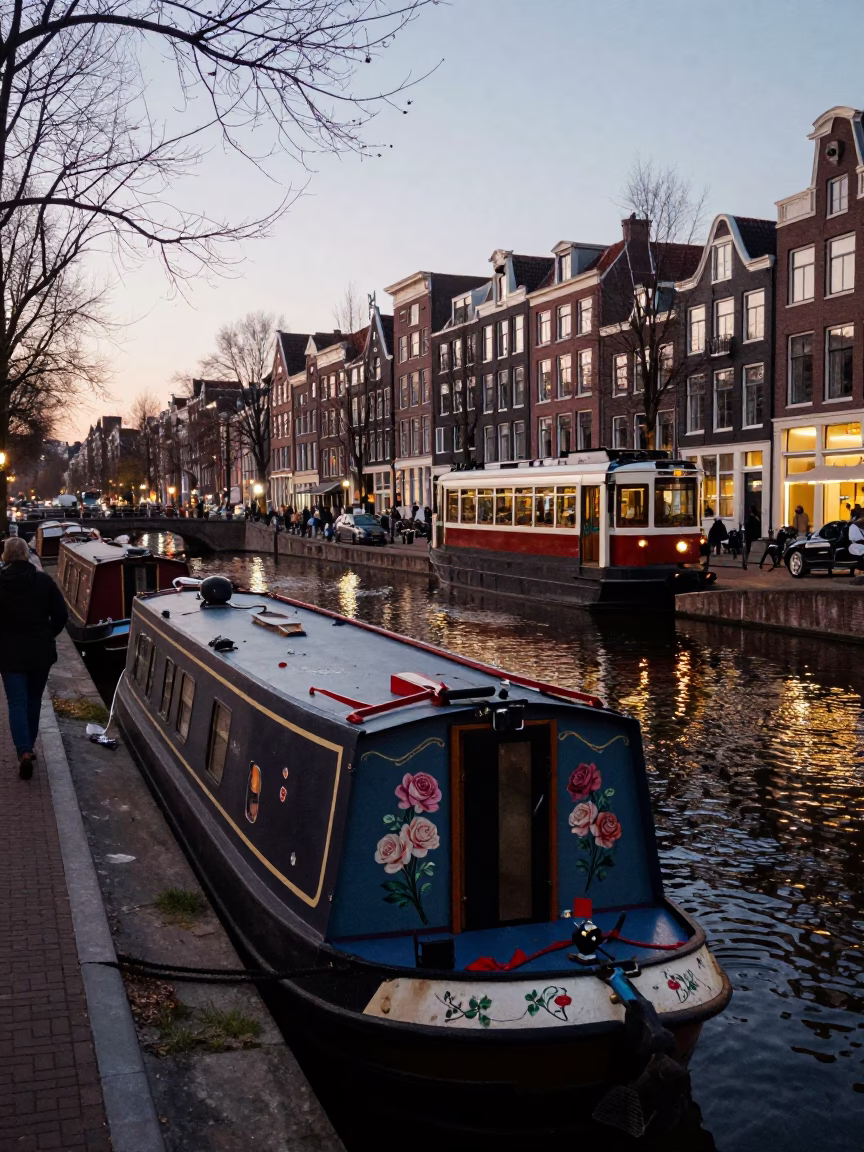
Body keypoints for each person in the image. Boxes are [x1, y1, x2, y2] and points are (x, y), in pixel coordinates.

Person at [0, 537, 68, 779]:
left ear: (5, 556)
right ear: (27, 555)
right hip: (40, 651)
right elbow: (61, 614)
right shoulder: (44, 581)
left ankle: (24, 751)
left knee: (16, 702)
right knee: (33, 700)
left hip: (8, 652)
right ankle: (29, 744)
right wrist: (48, 634)